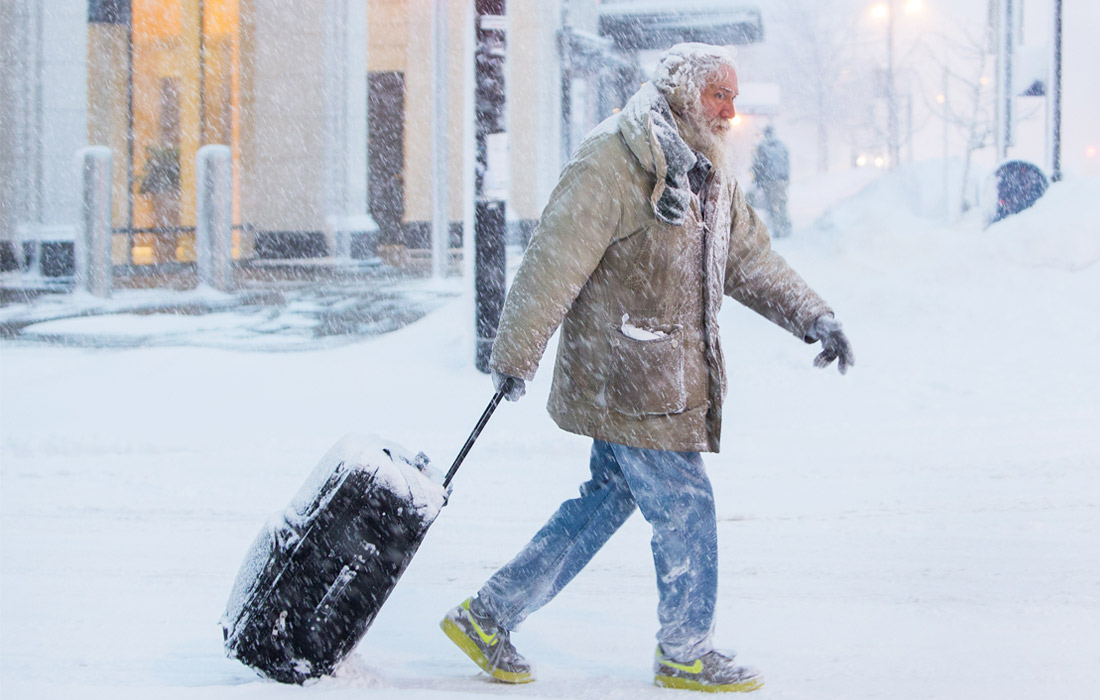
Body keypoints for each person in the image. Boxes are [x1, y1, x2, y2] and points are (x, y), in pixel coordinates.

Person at [439, 43, 853, 693]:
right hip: (627, 371)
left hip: (664, 370)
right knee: (686, 505)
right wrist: (518, 353)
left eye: (734, 97)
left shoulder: (707, 169)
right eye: (720, 94)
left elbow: (747, 258)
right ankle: (686, 650)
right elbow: (554, 261)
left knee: (608, 498)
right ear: (686, 94)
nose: (731, 109)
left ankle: (489, 615)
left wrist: (813, 316)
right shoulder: (613, 159)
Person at [751, 125, 792, 238]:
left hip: (769, 181)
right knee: (782, 202)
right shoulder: (782, 146)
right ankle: (785, 225)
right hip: (782, 180)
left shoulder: (762, 146)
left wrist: (757, 181)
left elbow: (758, 165)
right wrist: (786, 177)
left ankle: (777, 228)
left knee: (772, 205)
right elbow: (786, 162)